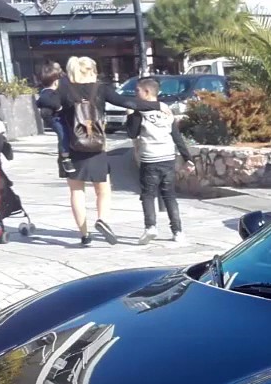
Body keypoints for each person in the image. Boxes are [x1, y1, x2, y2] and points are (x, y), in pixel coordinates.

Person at [36, 56, 164, 247]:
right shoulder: (101, 89)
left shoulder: (64, 89)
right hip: (96, 146)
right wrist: (156, 105)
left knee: (76, 191)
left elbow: (45, 101)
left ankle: (84, 235)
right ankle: (102, 219)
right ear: (92, 71)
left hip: (71, 148)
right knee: (103, 189)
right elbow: (127, 103)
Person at [127, 77, 194, 245]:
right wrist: (187, 158)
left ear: (147, 92)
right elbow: (176, 136)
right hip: (168, 158)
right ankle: (178, 231)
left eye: (137, 91)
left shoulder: (140, 112)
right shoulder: (166, 110)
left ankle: (150, 227)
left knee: (148, 194)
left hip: (150, 158)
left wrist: (131, 116)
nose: (135, 94)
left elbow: (132, 133)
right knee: (169, 195)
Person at [37, 61, 75, 177]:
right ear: (55, 82)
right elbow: (41, 101)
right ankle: (65, 157)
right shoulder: (48, 92)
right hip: (54, 119)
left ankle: (66, 156)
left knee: (65, 134)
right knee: (63, 135)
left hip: (57, 118)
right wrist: (58, 107)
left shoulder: (50, 90)